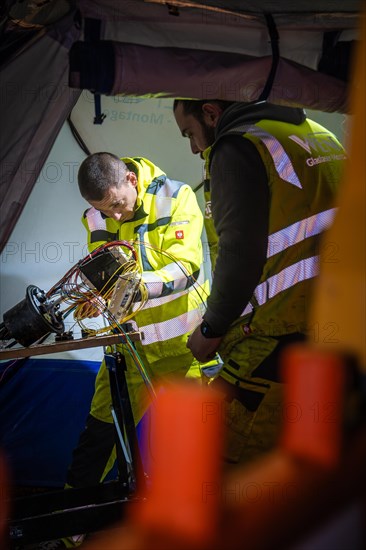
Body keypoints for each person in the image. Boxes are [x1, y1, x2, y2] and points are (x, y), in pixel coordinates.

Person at [42, 154, 214, 550]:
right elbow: (102, 272)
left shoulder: (177, 197)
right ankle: (68, 527)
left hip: (181, 347)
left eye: (118, 205)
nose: (115, 217)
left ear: (131, 180)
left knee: (189, 440)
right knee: (99, 432)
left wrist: (140, 287)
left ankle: (189, 525)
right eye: (106, 211)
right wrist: (95, 298)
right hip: (128, 345)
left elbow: (187, 268)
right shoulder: (98, 215)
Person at [173, 99, 346, 465]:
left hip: (278, 333)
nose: (193, 147)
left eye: (189, 133)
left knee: (226, 460)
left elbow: (239, 253)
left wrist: (211, 329)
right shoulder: (321, 135)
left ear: (211, 112)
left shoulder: (237, 146)